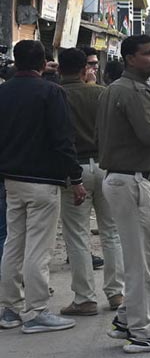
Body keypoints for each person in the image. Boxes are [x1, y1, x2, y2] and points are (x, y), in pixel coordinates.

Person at [97, 34, 150, 353]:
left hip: (125, 178)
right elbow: (149, 135)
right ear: (130, 58)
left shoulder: (115, 89)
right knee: (141, 259)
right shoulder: (133, 90)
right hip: (129, 182)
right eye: (148, 54)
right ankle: (141, 330)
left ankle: (126, 317)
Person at [0, 40, 86, 334]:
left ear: (15, 62)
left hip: (12, 180)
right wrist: (76, 179)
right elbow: (63, 140)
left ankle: (9, 309)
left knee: (13, 243)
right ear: (42, 63)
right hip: (43, 183)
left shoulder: (4, 92)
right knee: (38, 248)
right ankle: (36, 311)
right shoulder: (52, 92)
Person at [57, 48, 125, 317]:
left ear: (60, 69)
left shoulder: (57, 94)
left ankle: (85, 298)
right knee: (111, 232)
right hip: (106, 166)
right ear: (85, 68)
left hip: (74, 170)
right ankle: (116, 293)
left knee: (77, 236)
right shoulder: (101, 93)